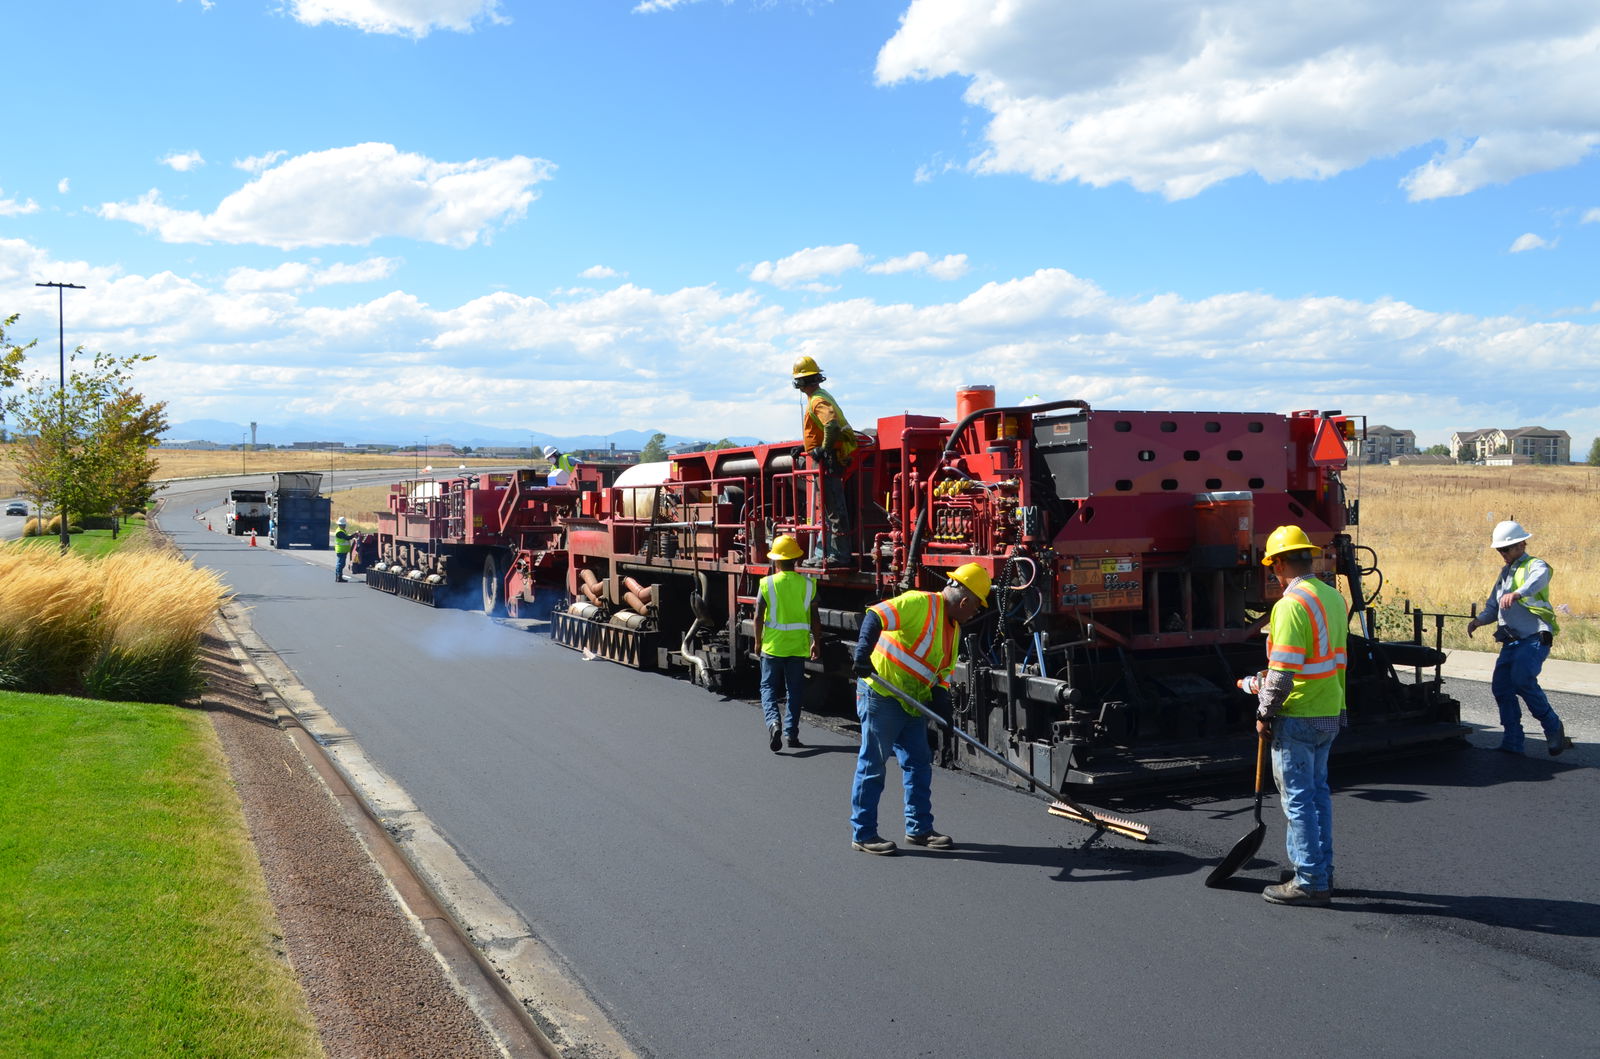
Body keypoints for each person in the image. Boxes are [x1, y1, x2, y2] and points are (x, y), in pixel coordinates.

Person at [848, 563, 990, 855]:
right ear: (965, 601)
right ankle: (863, 834)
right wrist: (863, 653)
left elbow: (942, 673)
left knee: (918, 763)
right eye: (976, 607)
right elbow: (876, 614)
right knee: (873, 764)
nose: (975, 613)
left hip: (912, 703)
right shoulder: (919, 602)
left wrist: (943, 707)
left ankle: (919, 829)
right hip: (882, 694)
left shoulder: (954, 630)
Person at [1251, 525, 1348, 907]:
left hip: (1299, 714)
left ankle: (1308, 879)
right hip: (1329, 709)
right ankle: (1322, 870)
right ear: (1308, 558)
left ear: (1277, 564)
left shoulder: (1291, 605)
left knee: (1298, 801)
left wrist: (1264, 712)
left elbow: (1282, 673)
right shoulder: (1332, 597)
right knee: (1318, 795)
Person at [1466, 520, 1567, 756]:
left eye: (1506, 549)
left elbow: (1539, 579)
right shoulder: (1505, 573)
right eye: (1500, 550)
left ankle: (1553, 727)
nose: (1502, 554)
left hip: (1533, 638)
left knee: (1522, 680)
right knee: (1501, 688)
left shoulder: (1536, 565)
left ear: (1521, 545)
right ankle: (1512, 741)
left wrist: (1518, 593)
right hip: (1512, 641)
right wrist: (1479, 621)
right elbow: (1494, 605)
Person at [754, 534, 823, 753]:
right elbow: (815, 617)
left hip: (773, 647)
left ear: (776, 561)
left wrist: (757, 641)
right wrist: (816, 642)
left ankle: (774, 723)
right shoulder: (808, 585)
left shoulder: (767, 584)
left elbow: (757, 616)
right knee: (795, 689)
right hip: (797, 647)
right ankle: (791, 734)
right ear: (797, 560)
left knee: (767, 688)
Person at [791, 356, 856, 567]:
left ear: (800, 382)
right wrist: (807, 447)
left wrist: (823, 450)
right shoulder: (819, 396)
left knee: (834, 510)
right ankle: (826, 554)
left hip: (830, 460)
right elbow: (823, 429)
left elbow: (831, 426)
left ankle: (839, 557)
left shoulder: (817, 399)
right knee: (830, 510)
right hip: (830, 458)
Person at [333, 516, 355, 582]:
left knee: (341, 564)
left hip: (343, 550)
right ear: (341, 525)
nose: (345, 526)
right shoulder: (340, 532)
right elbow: (347, 538)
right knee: (340, 564)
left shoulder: (341, 531)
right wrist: (354, 535)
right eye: (344, 525)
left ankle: (339, 577)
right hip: (341, 550)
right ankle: (338, 577)